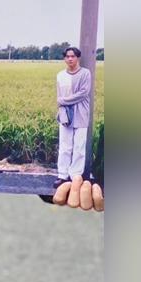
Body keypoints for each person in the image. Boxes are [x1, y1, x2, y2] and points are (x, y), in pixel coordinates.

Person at [56, 47, 93, 185]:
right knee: (65, 145)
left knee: (79, 146)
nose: (70, 59)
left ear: (78, 58)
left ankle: (75, 176)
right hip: (66, 115)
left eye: (73, 56)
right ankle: (62, 175)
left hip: (81, 114)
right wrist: (61, 107)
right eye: (67, 56)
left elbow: (84, 93)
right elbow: (59, 94)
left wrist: (63, 101)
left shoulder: (85, 73)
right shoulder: (60, 75)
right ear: (65, 59)